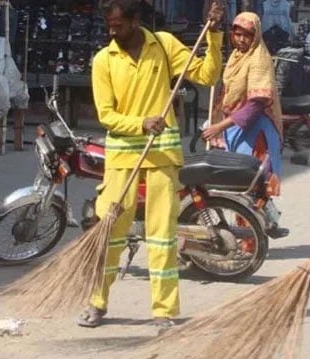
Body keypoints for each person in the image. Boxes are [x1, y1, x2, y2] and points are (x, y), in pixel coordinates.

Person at [78, 0, 224, 328]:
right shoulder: (104, 60)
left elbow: (207, 74)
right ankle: (96, 302)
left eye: (119, 26)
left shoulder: (164, 45)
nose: (113, 32)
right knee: (109, 231)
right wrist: (141, 123)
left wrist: (214, 35)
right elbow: (106, 115)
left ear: (136, 20)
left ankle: (164, 311)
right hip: (121, 158)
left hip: (162, 157)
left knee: (162, 237)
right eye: (109, 27)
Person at [201, 11, 287, 238]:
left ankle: (251, 237)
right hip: (237, 128)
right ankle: (258, 228)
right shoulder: (237, 56)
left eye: (247, 35)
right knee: (242, 187)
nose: (241, 40)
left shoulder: (259, 59)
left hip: (256, 131)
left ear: (256, 36)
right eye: (237, 34)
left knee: (249, 186)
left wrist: (219, 127)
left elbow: (255, 105)